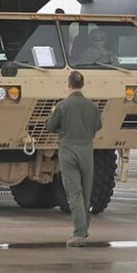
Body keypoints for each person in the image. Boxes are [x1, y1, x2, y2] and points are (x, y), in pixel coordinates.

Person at [46, 71, 103, 247]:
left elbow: (50, 127)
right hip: (87, 152)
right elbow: (97, 126)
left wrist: (51, 114)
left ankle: (78, 234)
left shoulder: (62, 106)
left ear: (69, 84)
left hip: (68, 152)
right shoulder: (92, 107)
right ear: (83, 84)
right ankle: (83, 230)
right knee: (86, 192)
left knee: (74, 193)